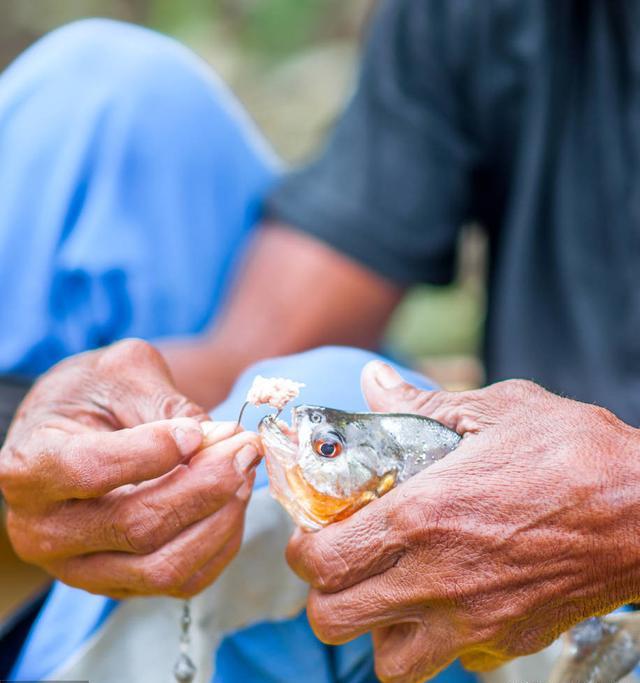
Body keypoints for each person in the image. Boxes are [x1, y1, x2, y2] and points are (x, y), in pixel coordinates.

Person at [1, 0, 640, 681]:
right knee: (105, 97)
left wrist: (621, 514)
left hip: (599, 618)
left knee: (333, 398)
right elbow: (251, 349)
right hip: (506, 527)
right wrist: (80, 433)